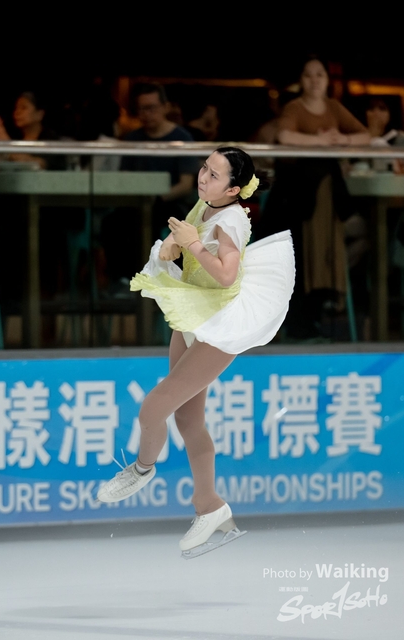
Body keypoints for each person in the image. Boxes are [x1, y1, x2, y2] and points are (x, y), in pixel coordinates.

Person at [97, 147, 295, 557]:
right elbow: (187, 237)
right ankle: (210, 505)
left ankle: (142, 469)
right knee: (189, 421)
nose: (204, 177)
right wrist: (174, 245)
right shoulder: (205, 204)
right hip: (194, 315)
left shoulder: (231, 220)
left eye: (214, 174)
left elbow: (225, 275)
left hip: (219, 324)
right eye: (204, 168)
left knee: (153, 409)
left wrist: (193, 246)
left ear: (234, 189)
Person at [256, 54, 370, 339]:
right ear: (301, 80)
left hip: (328, 200)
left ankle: (331, 306)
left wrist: (342, 139)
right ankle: (302, 322)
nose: (315, 80)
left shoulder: (333, 107)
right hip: (299, 197)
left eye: (320, 74)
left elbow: (364, 135)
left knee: (352, 240)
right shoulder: (294, 107)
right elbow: (285, 137)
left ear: (327, 80)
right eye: (309, 75)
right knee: (303, 255)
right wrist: (321, 141)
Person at [100, 82, 199, 296]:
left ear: (165, 107)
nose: (146, 114)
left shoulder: (181, 138)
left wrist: (159, 197)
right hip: (135, 204)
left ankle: (154, 282)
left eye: (151, 108)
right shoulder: (133, 139)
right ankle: (121, 280)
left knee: (152, 223)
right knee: (111, 223)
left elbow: (185, 185)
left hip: (169, 205)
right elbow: (125, 178)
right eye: (142, 109)